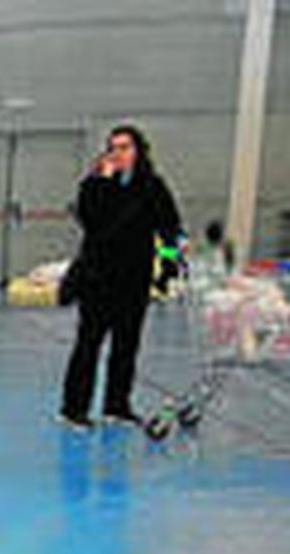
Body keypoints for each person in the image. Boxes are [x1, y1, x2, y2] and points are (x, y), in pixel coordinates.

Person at [59, 125, 184, 428]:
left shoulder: (153, 186)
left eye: (125, 147)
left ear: (139, 151)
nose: (118, 153)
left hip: (135, 280)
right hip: (97, 279)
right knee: (88, 345)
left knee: (126, 347)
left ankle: (117, 406)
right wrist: (102, 180)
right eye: (113, 147)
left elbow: (169, 228)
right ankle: (74, 409)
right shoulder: (94, 186)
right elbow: (91, 221)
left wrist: (168, 265)